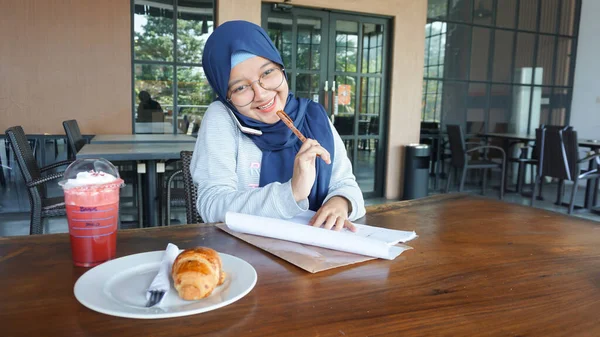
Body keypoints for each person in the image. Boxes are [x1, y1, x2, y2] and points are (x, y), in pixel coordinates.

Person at [191, 20, 365, 231]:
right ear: (225, 94)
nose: (261, 94)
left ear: (281, 68)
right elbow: (212, 205)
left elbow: (346, 183)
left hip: (316, 252)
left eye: (267, 73)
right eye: (240, 88)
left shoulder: (313, 115)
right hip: (246, 254)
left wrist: (340, 202)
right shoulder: (222, 117)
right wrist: (291, 192)